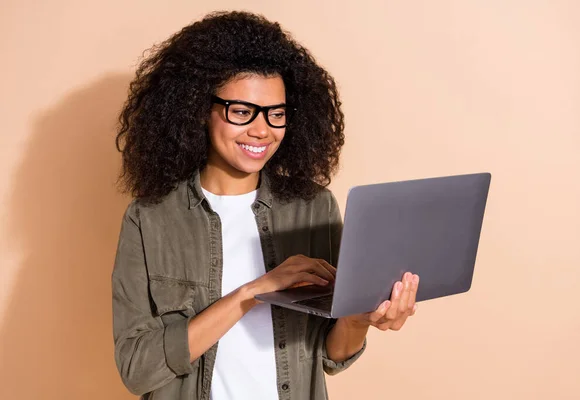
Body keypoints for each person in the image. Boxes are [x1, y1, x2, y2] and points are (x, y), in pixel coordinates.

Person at [112, 10, 419, 400]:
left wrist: (359, 318)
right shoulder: (150, 218)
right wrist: (252, 292)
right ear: (199, 110)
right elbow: (136, 369)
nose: (262, 130)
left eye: (277, 114)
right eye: (242, 112)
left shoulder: (313, 208)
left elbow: (331, 354)